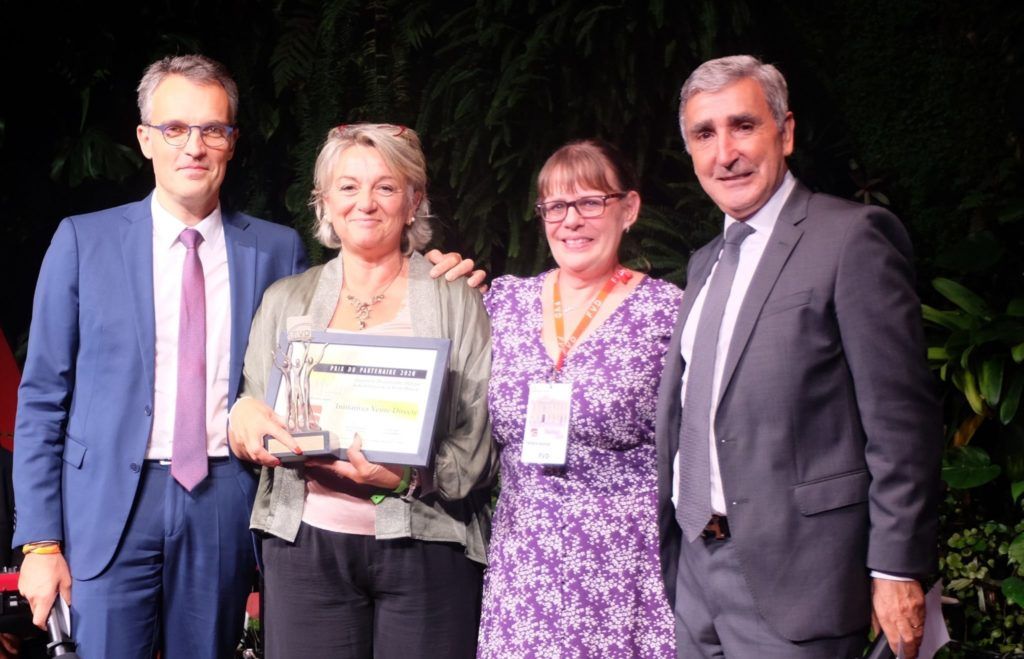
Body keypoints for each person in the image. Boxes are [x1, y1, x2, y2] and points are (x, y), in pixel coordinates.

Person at [13, 56, 473, 659]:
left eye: (212, 129)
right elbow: (42, 399)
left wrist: (434, 271)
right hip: (107, 508)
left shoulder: (276, 251)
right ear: (145, 138)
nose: (194, 146)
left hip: (222, 500)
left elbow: (348, 303)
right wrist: (40, 543)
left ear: (231, 142)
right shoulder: (82, 241)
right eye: (175, 128)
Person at [655, 55, 942, 658]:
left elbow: (901, 421)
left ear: (784, 133)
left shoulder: (851, 238)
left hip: (800, 581)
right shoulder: (704, 263)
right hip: (697, 574)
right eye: (704, 134)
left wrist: (896, 567)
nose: (725, 153)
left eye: (743, 126)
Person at [228, 123, 495, 659]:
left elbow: (479, 442)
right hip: (306, 546)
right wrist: (246, 424)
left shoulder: (456, 299)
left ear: (413, 201)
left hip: (426, 545)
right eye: (348, 187)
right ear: (324, 201)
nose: (365, 203)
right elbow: (255, 408)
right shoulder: (285, 300)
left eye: (386, 187)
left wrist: (404, 477)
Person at [477, 140, 680, 657]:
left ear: (628, 209)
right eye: (556, 206)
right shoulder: (505, 302)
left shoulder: (667, 313)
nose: (571, 220)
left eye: (590, 202)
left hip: (623, 572)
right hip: (524, 570)